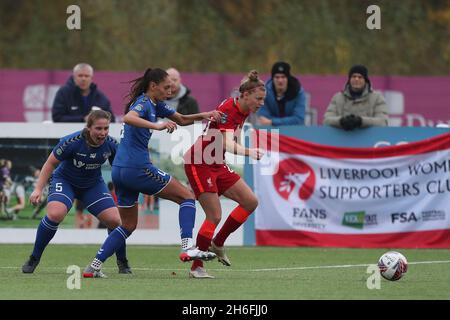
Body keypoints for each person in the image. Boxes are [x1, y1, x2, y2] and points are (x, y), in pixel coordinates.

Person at [83, 68, 222, 277]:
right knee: (187, 197)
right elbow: (129, 117)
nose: (170, 90)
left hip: (120, 171)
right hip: (137, 168)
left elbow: (182, 119)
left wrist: (204, 115)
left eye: (172, 87)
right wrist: (156, 126)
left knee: (128, 225)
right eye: (166, 87)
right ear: (153, 86)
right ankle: (187, 247)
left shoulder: (156, 103)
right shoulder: (143, 102)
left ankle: (93, 267)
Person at [22, 110, 131, 275]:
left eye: (106, 128)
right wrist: (38, 189)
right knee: (55, 214)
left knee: (116, 221)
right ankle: (34, 258)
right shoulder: (71, 141)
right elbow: (50, 163)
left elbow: (118, 169)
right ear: (88, 128)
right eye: (98, 128)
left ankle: (122, 262)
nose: (102, 133)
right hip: (65, 181)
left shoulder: (111, 144)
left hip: (93, 185)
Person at [184, 70, 265, 278]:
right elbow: (227, 143)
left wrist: (250, 79)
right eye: (259, 98)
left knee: (250, 201)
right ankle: (197, 268)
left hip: (216, 162)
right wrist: (249, 152)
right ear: (246, 95)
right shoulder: (230, 108)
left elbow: (227, 141)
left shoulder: (243, 106)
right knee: (215, 215)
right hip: (199, 161)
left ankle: (217, 243)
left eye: (263, 99)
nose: (262, 103)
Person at [323, 64, 388, 130]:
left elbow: (383, 122)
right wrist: (341, 121)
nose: (356, 79)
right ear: (349, 79)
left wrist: (361, 121)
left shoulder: (377, 98)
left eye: (360, 77)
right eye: (354, 76)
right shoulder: (337, 98)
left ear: (365, 80)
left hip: (370, 139)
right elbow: (326, 121)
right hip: (342, 138)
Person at [256, 61, 305, 126]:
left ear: (288, 78)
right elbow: (263, 119)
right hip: (271, 130)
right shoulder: (264, 92)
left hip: (293, 130)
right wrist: (287, 121)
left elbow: (299, 119)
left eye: (283, 77)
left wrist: (273, 122)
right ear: (272, 78)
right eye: (277, 77)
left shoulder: (298, 92)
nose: (280, 80)